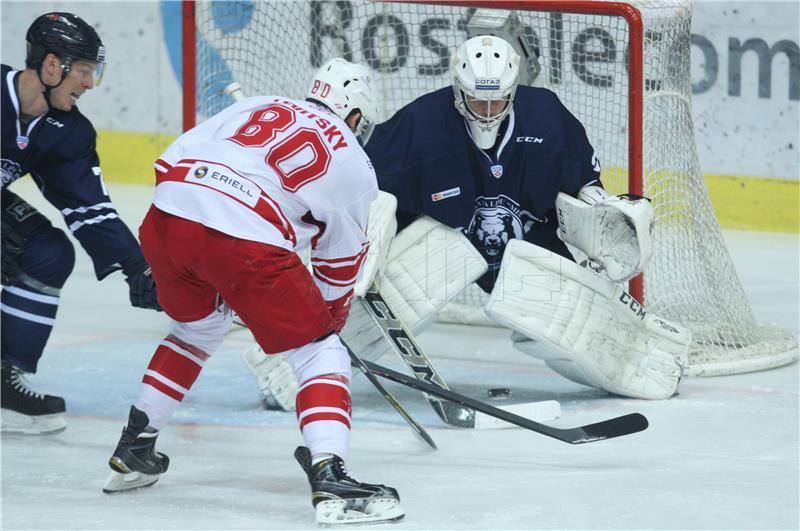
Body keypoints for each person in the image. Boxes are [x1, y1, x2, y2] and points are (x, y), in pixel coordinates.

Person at [102, 58, 404, 526]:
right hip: (243, 239)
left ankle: (135, 446)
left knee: (194, 331)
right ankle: (330, 473)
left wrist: (204, 254)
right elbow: (338, 263)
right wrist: (326, 326)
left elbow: (169, 163)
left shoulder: (259, 104)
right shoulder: (353, 159)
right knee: (321, 355)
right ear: (357, 116)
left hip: (166, 219)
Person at [361, 34, 688, 400]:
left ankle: (646, 359)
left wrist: (601, 213)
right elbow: (365, 186)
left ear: (514, 91)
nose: (486, 111)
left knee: (575, 326)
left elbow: (586, 187)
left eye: (496, 101)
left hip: (529, 246)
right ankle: (316, 354)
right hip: (445, 241)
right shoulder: (420, 125)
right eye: (476, 101)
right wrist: (364, 244)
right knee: (397, 291)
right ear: (458, 90)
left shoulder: (546, 119)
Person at [1, 12, 161, 435]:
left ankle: (2, 385)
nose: (90, 83)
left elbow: (90, 208)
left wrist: (137, 266)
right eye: (85, 70)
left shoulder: (66, 132)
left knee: (46, 253)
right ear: (52, 66)